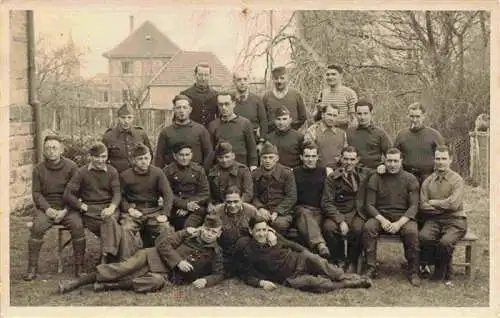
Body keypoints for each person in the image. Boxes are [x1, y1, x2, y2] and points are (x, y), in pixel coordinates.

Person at [58, 214, 224, 294]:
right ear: (202, 228)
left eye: (213, 232)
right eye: (207, 230)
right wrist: (178, 261)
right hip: (151, 256)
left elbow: (219, 273)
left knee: (153, 283)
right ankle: (76, 283)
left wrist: (206, 280)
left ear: (219, 234)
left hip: (167, 275)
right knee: (123, 268)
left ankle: (107, 286)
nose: (209, 234)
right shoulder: (187, 234)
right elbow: (162, 244)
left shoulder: (216, 251)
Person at [234, 216, 372, 293]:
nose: (262, 233)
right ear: (251, 231)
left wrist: (307, 253)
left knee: (317, 261)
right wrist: (261, 283)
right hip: (289, 276)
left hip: (298, 260)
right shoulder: (246, 247)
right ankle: (351, 284)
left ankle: (343, 276)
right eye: (258, 231)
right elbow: (246, 275)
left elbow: (291, 244)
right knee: (318, 284)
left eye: (265, 230)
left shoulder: (273, 237)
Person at [63, 142, 136, 263]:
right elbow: (68, 194)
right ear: (90, 157)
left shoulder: (112, 171)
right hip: (90, 210)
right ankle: (115, 258)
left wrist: (112, 207)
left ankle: (106, 257)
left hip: (109, 207)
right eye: (97, 157)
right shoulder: (82, 172)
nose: (101, 160)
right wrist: (81, 205)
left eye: (104, 157)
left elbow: (117, 193)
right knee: (110, 225)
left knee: (109, 220)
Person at [24, 135, 84, 280]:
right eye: (48, 148)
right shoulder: (38, 169)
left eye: (54, 148)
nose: (51, 151)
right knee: (37, 228)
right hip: (47, 209)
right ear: (44, 151)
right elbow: (37, 193)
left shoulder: (72, 167)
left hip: (67, 207)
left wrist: (65, 210)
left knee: (78, 226)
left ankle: (80, 267)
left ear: (61, 150)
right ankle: (32, 268)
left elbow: (76, 192)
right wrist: (47, 209)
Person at [361, 148, 421, 286]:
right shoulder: (376, 177)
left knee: (411, 232)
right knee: (369, 227)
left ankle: (413, 271)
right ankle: (371, 267)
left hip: (403, 218)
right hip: (381, 216)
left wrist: (399, 224)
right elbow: (369, 204)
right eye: (389, 161)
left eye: (395, 161)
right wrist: (382, 220)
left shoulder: (410, 179)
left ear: (401, 161)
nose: (392, 164)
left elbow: (414, 206)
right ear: (384, 161)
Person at [419, 146, 467, 283]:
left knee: (445, 242)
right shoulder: (428, 181)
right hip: (434, 220)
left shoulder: (457, 180)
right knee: (423, 237)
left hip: (456, 220)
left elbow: (454, 205)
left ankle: (441, 273)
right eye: (438, 158)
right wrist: (443, 206)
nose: (440, 162)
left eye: (444, 158)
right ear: (434, 160)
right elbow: (423, 205)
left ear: (450, 160)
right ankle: (426, 265)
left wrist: (433, 202)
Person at [321, 146, 371, 271]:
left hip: (357, 212)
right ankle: (339, 259)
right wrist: (340, 220)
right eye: (346, 159)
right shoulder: (332, 177)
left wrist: (383, 167)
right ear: (341, 159)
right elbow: (326, 202)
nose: (349, 162)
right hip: (339, 211)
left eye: (352, 159)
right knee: (329, 228)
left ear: (357, 160)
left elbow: (380, 171)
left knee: (358, 229)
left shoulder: (364, 173)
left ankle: (352, 260)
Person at [120, 144, 175, 248]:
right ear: (133, 160)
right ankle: (126, 260)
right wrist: (129, 209)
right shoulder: (125, 175)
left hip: (153, 210)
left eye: (146, 158)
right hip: (135, 210)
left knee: (165, 228)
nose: (144, 161)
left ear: (150, 158)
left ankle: (161, 258)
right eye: (140, 159)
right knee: (125, 229)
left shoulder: (158, 173)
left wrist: (165, 214)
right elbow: (120, 196)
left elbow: (168, 194)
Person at [293, 141, 332, 258]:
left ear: (318, 157)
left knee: (313, 224)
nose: (310, 159)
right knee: (305, 214)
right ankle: (320, 245)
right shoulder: (294, 172)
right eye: (307, 156)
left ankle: (314, 258)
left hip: (319, 211)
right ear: (301, 157)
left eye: (313, 156)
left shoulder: (326, 172)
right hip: (300, 210)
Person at [155, 94, 213, 170]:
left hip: (196, 176)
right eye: (178, 108)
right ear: (174, 110)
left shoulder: (200, 130)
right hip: (173, 177)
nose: (182, 111)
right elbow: (159, 158)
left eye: (185, 107)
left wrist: (202, 173)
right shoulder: (166, 132)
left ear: (190, 109)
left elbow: (209, 154)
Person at [212, 185, 258, 277]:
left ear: (242, 199)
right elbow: (208, 231)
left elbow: (262, 229)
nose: (232, 205)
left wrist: (271, 233)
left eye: (236, 201)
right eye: (229, 202)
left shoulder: (251, 211)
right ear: (224, 201)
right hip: (225, 251)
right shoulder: (217, 211)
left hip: (245, 252)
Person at [251, 141, 297, 236]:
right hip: (263, 210)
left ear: (277, 158)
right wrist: (260, 208)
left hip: (283, 211)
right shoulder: (255, 174)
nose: (267, 161)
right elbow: (253, 196)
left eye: (271, 157)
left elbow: (291, 197)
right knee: (257, 223)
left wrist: (277, 212)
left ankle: (279, 246)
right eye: (264, 157)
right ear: (261, 159)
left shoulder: (286, 173)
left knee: (279, 224)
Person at [394, 102, 445, 184]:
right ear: (408, 116)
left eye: (418, 116)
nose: (414, 120)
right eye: (412, 116)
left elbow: (443, 158)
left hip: (429, 179)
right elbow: (394, 156)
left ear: (423, 116)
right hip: (407, 179)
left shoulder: (434, 135)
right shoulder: (401, 135)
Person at [163, 142, 210, 231]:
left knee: (190, 225)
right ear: (174, 156)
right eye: (181, 155)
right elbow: (167, 194)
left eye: (187, 155)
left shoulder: (199, 170)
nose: (184, 158)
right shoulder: (167, 171)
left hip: (196, 206)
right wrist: (184, 205)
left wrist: (188, 206)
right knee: (181, 225)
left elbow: (204, 193)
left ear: (191, 155)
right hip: (176, 208)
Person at [207, 91, 258, 170]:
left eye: (227, 104)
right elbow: (211, 151)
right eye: (221, 105)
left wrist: (253, 166)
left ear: (234, 104)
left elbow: (252, 148)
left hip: (241, 169)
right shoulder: (213, 125)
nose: (224, 107)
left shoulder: (245, 123)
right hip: (221, 169)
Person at [102, 103, 153, 173]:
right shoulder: (108, 136)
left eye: (129, 117)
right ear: (117, 118)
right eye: (123, 117)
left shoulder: (141, 134)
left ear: (133, 118)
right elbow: (102, 159)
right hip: (117, 176)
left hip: (138, 176)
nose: (126, 121)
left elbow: (150, 155)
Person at [346, 99, 391, 169]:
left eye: (365, 113)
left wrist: (384, 166)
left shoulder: (380, 134)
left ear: (371, 113)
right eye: (359, 114)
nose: (362, 117)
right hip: (354, 173)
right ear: (355, 114)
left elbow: (391, 154)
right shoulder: (349, 132)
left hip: (374, 173)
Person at [207, 142, 253, 210]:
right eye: (221, 157)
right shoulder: (213, 171)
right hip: (218, 207)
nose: (224, 160)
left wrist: (237, 203)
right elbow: (207, 192)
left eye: (227, 157)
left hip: (238, 206)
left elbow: (248, 193)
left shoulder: (243, 170)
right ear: (217, 158)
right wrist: (209, 203)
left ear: (233, 156)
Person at [263, 66, 308, 133]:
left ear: (287, 78)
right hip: (272, 136)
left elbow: (303, 117)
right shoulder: (267, 96)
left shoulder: (295, 94)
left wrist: (294, 130)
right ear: (272, 79)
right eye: (276, 78)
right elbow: (263, 118)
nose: (279, 81)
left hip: (292, 136)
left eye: (282, 78)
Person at [315, 64, 357, 130]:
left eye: (333, 74)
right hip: (325, 132)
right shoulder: (322, 93)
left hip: (343, 131)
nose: (330, 77)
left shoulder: (349, 93)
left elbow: (354, 119)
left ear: (341, 76)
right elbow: (316, 118)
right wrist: (319, 111)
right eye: (328, 75)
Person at [233, 71, 268, 141]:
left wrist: (262, 140)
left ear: (248, 81)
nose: (242, 82)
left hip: (254, 139)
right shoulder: (230, 100)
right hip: (236, 140)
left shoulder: (257, 100)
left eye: (245, 79)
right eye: (239, 79)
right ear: (234, 81)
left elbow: (263, 121)